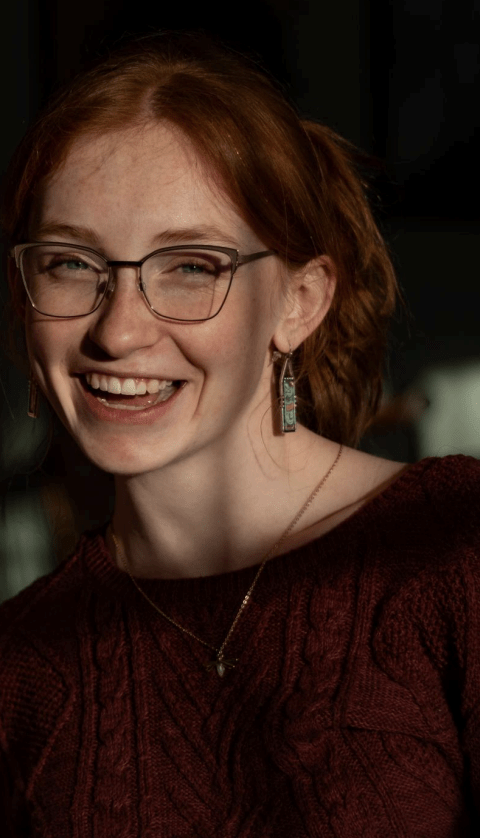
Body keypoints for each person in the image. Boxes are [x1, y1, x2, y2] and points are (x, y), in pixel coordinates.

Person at [0, 32, 479, 838]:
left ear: (299, 303)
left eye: (191, 266)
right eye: (72, 264)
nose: (118, 332)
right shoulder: (20, 669)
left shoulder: (453, 551)